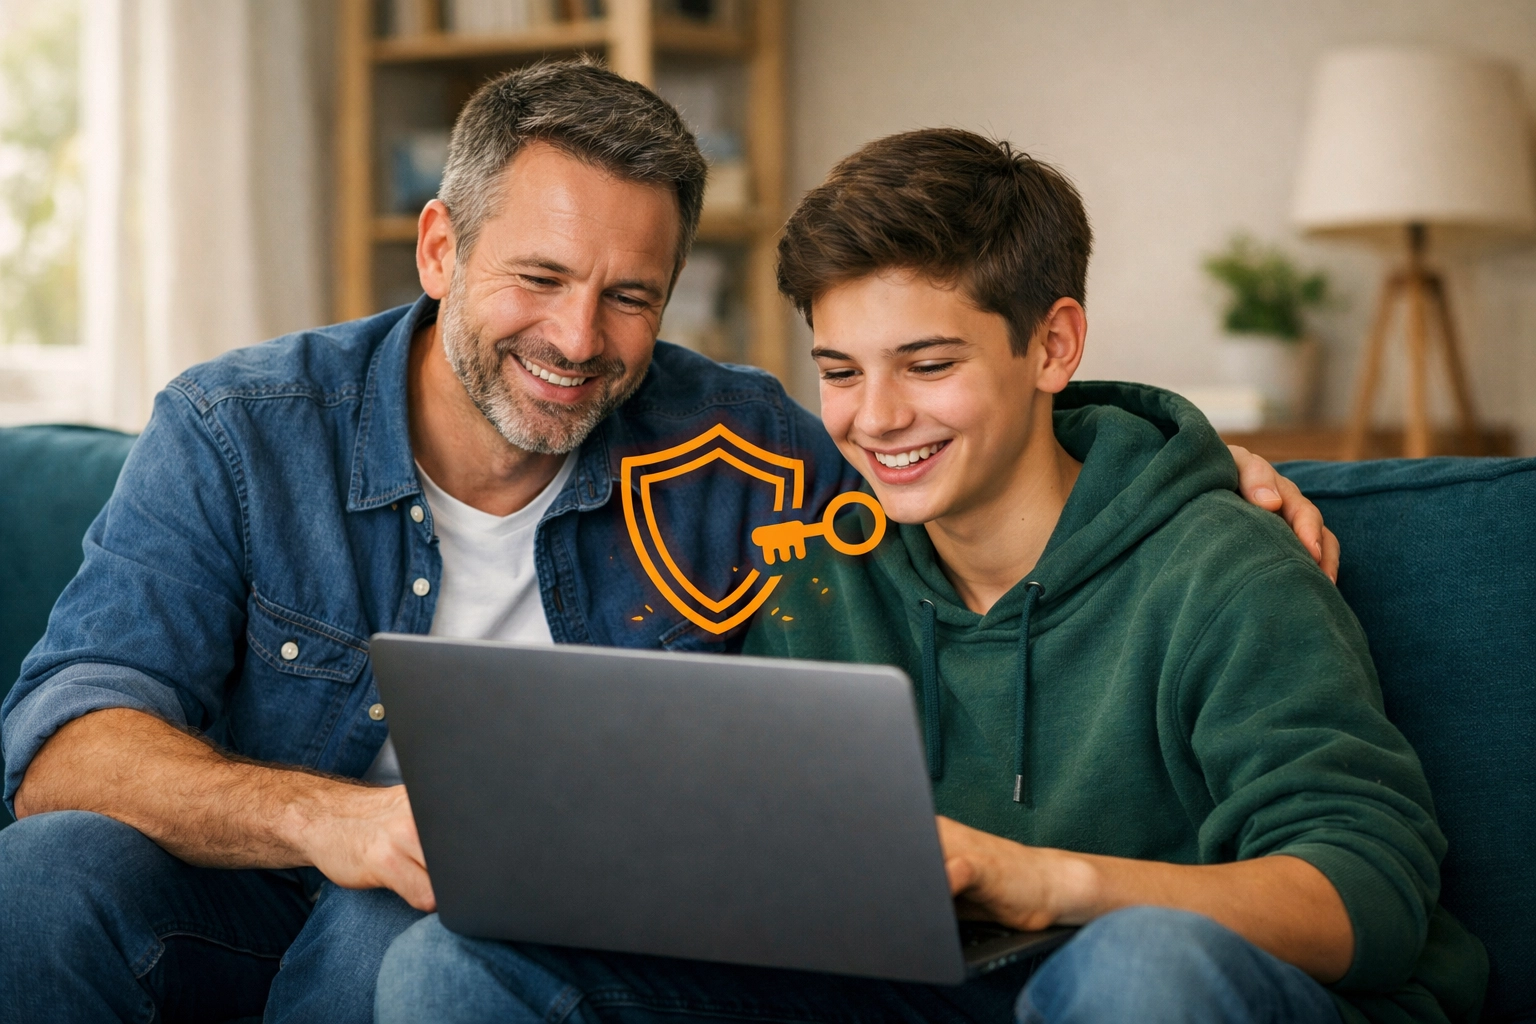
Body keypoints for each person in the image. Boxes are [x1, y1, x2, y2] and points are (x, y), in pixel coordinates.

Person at [0, 61, 1329, 1022]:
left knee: (414, 932)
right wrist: (335, 821)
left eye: (629, 296)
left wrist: (1177, 464)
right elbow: (64, 748)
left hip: (494, 939)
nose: (580, 340)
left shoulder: (740, 446)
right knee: (47, 876)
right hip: (258, 893)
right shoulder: (239, 430)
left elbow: (941, 440)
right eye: (539, 279)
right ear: (439, 248)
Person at [374, 131, 1485, 1023]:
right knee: (455, 964)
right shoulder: (815, 571)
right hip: (916, 993)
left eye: (931, 364)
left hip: (1149, 985)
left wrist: (1049, 880)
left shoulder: (1223, 567)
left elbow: (1373, 896)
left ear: (1054, 347)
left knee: (1141, 968)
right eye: (842, 373)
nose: (879, 418)